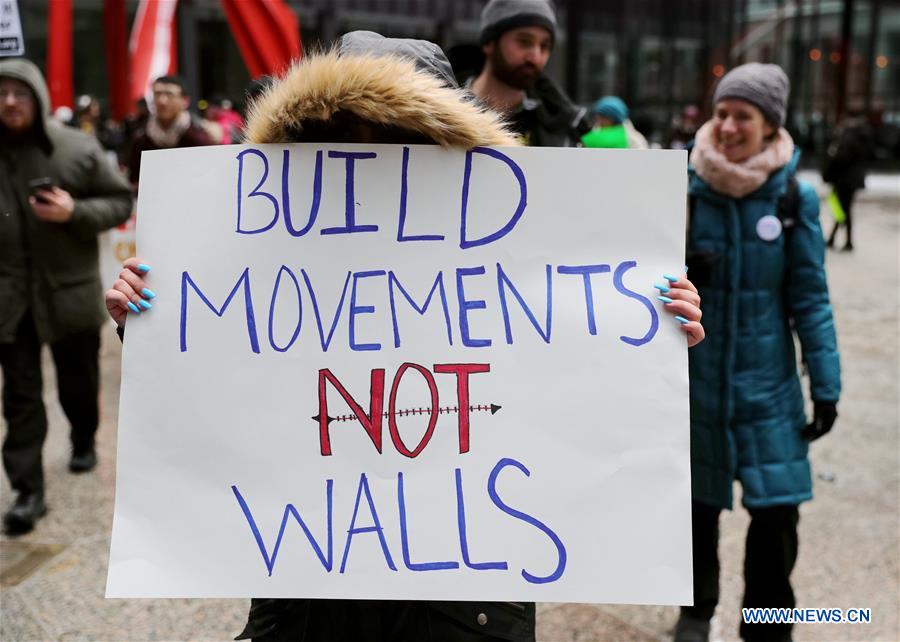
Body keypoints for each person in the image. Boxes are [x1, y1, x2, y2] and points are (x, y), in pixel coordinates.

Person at [105, 31, 704, 641]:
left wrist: (649, 332)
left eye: (399, 140)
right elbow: (221, 394)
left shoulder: (505, 254)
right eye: (349, 135)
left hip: (467, 596)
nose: (373, 159)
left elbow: (574, 401)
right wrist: (156, 330)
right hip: (311, 588)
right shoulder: (268, 253)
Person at [677, 63, 841, 642]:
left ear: (770, 126)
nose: (725, 126)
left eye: (741, 116)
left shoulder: (795, 195)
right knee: (694, 515)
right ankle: (695, 616)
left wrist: (826, 385)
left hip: (769, 387)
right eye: (720, 113)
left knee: (777, 522)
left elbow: (811, 299)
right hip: (697, 386)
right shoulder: (684, 189)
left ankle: (768, 628)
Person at [0, 58, 133, 534]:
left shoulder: (76, 148)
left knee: (78, 381)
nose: (10, 101)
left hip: (69, 294)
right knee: (20, 398)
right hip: (10, 302)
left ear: (36, 97)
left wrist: (75, 210)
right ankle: (27, 491)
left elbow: (121, 200)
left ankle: (83, 437)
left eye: (19, 92)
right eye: (2, 92)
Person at [467, 0, 591, 147]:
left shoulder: (562, 126)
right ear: (489, 43)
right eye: (524, 42)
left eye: (544, 46)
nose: (536, 57)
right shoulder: (441, 111)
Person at [127, 74, 213, 188]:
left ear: (185, 101)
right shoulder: (141, 139)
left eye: (169, 94)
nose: (162, 101)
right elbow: (134, 180)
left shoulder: (198, 138)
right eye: (157, 94)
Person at [823, 105, 871, 251]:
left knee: (842, 207)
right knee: (842, 207)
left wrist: (831, 163)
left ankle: (844, 240)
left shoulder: (850, 133)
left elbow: (842, 157)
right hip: (851, 178)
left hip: (844, 179)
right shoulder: (861, 132)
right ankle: (837, 238)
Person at [581, 96, 648, 149]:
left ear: (612, 119)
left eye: (602, 117)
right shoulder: (636, 137)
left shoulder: (632, 139)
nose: (598, 121)